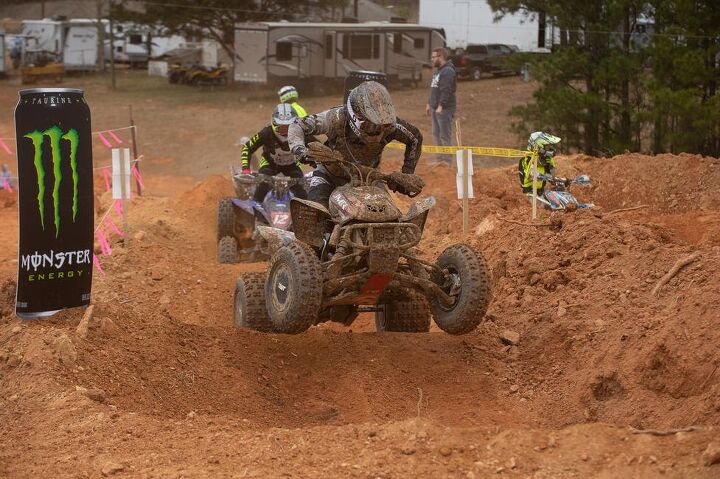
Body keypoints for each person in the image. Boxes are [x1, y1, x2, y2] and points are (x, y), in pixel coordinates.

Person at [288, 81, 423, 208]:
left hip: (369, 178)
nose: (377, 130)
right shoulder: (336, 118)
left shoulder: (391, 127)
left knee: (388, 214)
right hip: (330, 176)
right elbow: (298, 124)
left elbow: (415, 137)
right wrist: (300, 150)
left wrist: (407, 173)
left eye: (381, 126)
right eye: (369, 125)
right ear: (354, 116)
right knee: (315, 212)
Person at [240, 104, 309, 203]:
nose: (285, 131)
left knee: (301, 192)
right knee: (262, 187)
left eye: (288, 126)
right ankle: (256, 211)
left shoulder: (301, 133)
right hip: (269, 164)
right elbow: (247, 147)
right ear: (274, 123)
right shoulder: (266, 133)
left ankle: (305, 215)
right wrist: (245, 168)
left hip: (293, 165)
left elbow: (319, 148)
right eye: (282, 127)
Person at [425, 47, 457, 165]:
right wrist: (429, 103)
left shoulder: (448, 71)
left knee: (445, 135)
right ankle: (440, 160)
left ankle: (447, 161)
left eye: (433, 57)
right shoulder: (438, 71)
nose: (431, 59)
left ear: (441, 57)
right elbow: (434, 89)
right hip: (435, 108)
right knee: (436, 134)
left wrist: (441, 106)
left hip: (444, 109)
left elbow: (446, 90)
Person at [518, 131, 564, 196]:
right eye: (547, 146)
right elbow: (531, 175)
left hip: (541, 191)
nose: (551, 149)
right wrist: (547, 176)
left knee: (560, 194)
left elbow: (551, 178)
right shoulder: (527, 159)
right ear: (539, 147)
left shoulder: (547, 159)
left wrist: (562, 181)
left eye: (550, 146)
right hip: (528, 192)